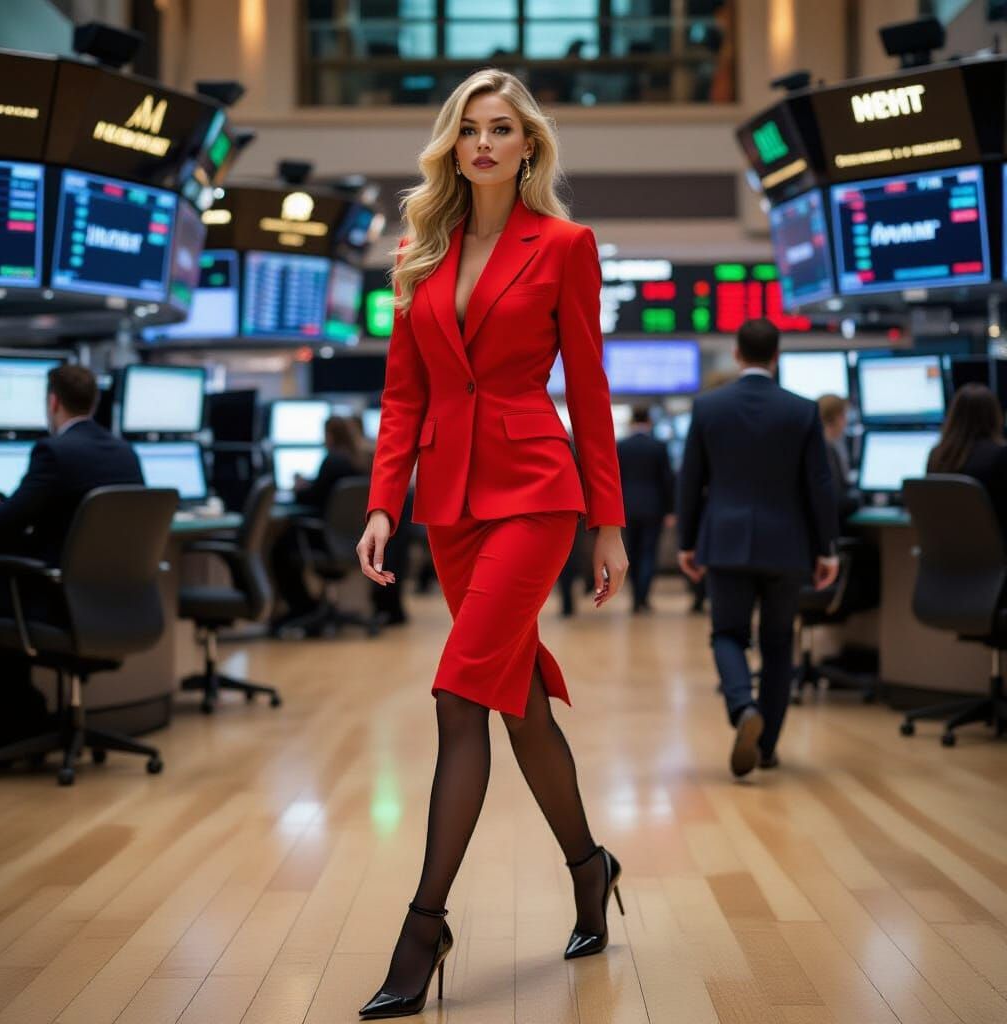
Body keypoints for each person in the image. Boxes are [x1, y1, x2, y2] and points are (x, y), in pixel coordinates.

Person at [354, 68, 629, 1020]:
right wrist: (384, 502)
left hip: (536, 495)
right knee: (516, 707)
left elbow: (590, 391)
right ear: (452, 142)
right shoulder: (420, 251)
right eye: (468, 128)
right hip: (449, 503)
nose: (481, 143)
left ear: (527, 147)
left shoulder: (563, 246)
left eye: (500, 129)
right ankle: (591, 868)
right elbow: (404, 394)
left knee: (458, 693)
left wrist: (609, 522)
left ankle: (424, 926)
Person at [677, 319, 838, 778]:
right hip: (787, 546)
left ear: (736, 353)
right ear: (777, 355)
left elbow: (692, 480)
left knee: (727, 634)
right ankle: (766, 747)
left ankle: (743, 708)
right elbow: (820, 486)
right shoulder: (802, 410)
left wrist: (687, 542)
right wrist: (826, 550)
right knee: (778, 644)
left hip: (725, 542)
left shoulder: (708, 407)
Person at [0, 365, 144, 748]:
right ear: (95, 401)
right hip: (119, 605)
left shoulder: (53, 451)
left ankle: (23, 720)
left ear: (52, 402)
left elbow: (8, 521)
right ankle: (29, 718)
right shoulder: (126, 452)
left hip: (62, 602)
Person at [270, 415, 366, 626]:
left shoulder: (331, 460)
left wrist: (298, 487)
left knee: (279, 548)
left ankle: (302, 608)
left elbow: (313, 496)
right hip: (350, 541)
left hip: (325, 539)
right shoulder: (355, 461)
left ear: (330, 436)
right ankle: (308, 607)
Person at [927, 383, 1007, 535]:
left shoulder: (936, 456)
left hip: (944, 552)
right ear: (995, 415)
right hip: (991, 552)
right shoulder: (1000, 455)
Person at [616, 405, 675, 612]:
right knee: (649, 553)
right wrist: (670, 510)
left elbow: (615, 480)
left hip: (627, 508)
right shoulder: (658, 446)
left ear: (632, 421)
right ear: (649, 421)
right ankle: (644, 597)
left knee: (631, 552)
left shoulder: (621, 446)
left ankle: (634, 599)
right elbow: (667, 480)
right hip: (654, 507)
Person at [818, 393, 861, 527]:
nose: (846, 422)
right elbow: (836, 500)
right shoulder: (826, 449)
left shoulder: (818, 445)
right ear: (837, 418)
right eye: (844, 416)